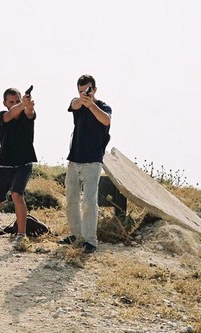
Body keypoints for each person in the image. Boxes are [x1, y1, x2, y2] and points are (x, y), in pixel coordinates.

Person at [0, 87, 37, 250]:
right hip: (4, 165)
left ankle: (21, 234)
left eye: (17, 101)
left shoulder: (26, 115)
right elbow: (9, 115)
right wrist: (22, 104)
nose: (15, 104)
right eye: (11, 102)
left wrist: (28, 106)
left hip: (23, 164)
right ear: (5, 103)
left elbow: (30, 112)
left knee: (17, 194)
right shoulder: (1, 116)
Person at [58, 74, 112, 254]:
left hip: (92, 162)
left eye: (87, 90)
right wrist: (82, 101)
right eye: (81, 91)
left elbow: (106, 120)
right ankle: (76, 235)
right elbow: (73, 104)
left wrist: (91, 105)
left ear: (94, 89)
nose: (84, 94)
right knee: (71, 200)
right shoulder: (78, 104)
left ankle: (90, 240)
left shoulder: (103, 107)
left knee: (89, 202)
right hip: (74, 160)